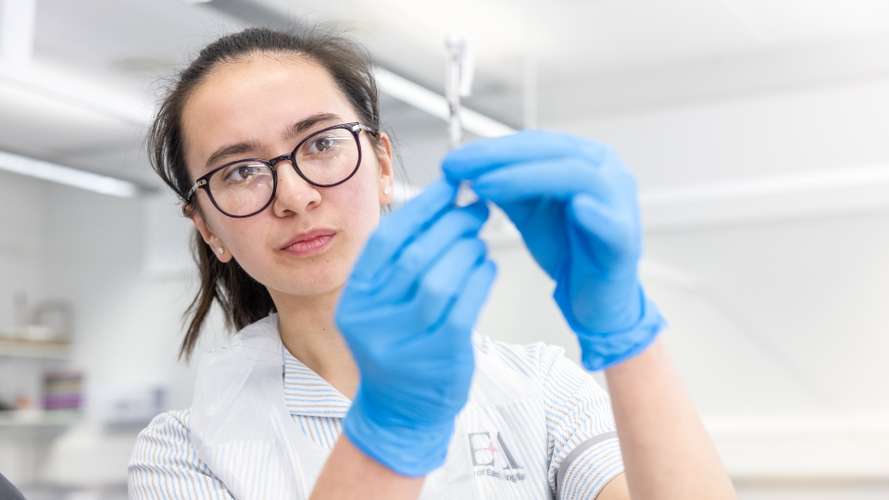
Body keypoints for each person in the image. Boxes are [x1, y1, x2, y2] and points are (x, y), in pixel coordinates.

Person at [128, 27, 735, 500]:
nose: (295, 195)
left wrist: (625, 331)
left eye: (320, 143)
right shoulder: (184, 454)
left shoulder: (539, 389)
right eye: (239, 171)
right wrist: (391, 428)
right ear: (208, 228)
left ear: (383, 164)